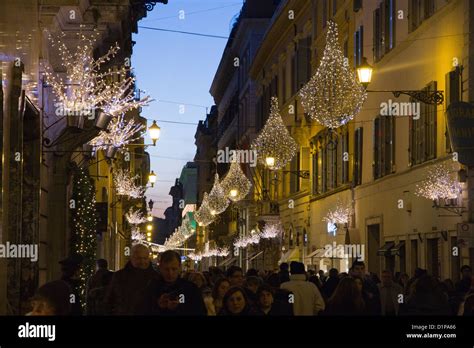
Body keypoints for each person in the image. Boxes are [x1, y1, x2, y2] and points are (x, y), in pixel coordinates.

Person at [144, 250, 206, 315]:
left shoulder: (190, 289)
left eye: (174, 269)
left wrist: (179, 307)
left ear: (179, 268)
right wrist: (158, 305)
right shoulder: (153, 287)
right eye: (166, 269)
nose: (170, 273)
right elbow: (144, 310)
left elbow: (200, 311)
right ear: (161, 268)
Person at [106, 244, 159, 315]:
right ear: (131, 258)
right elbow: (109, 300)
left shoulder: (155, 277)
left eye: (145, 258)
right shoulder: (120, 276)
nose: (142, 261)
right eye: (139, 258)